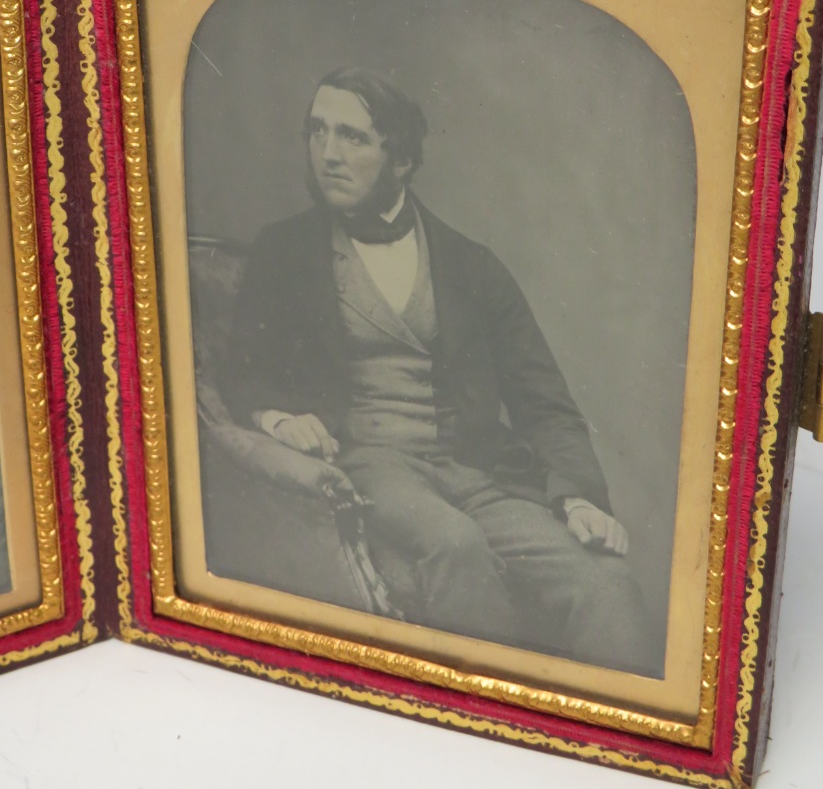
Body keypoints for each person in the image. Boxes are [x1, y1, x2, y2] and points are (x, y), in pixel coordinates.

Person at [222, 67, 655, 674]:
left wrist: (580, 497)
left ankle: (626, 747)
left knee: (604, 582)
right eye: (317, 132)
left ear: (400, 160)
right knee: (456, 547)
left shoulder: (472, 266)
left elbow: (544, 401)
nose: (328, 154)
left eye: (352, 137)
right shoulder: (283, 251)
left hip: (476, 467)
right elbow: (240, 370)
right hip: (370, 461)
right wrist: (276, 418)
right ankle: (491, 728)